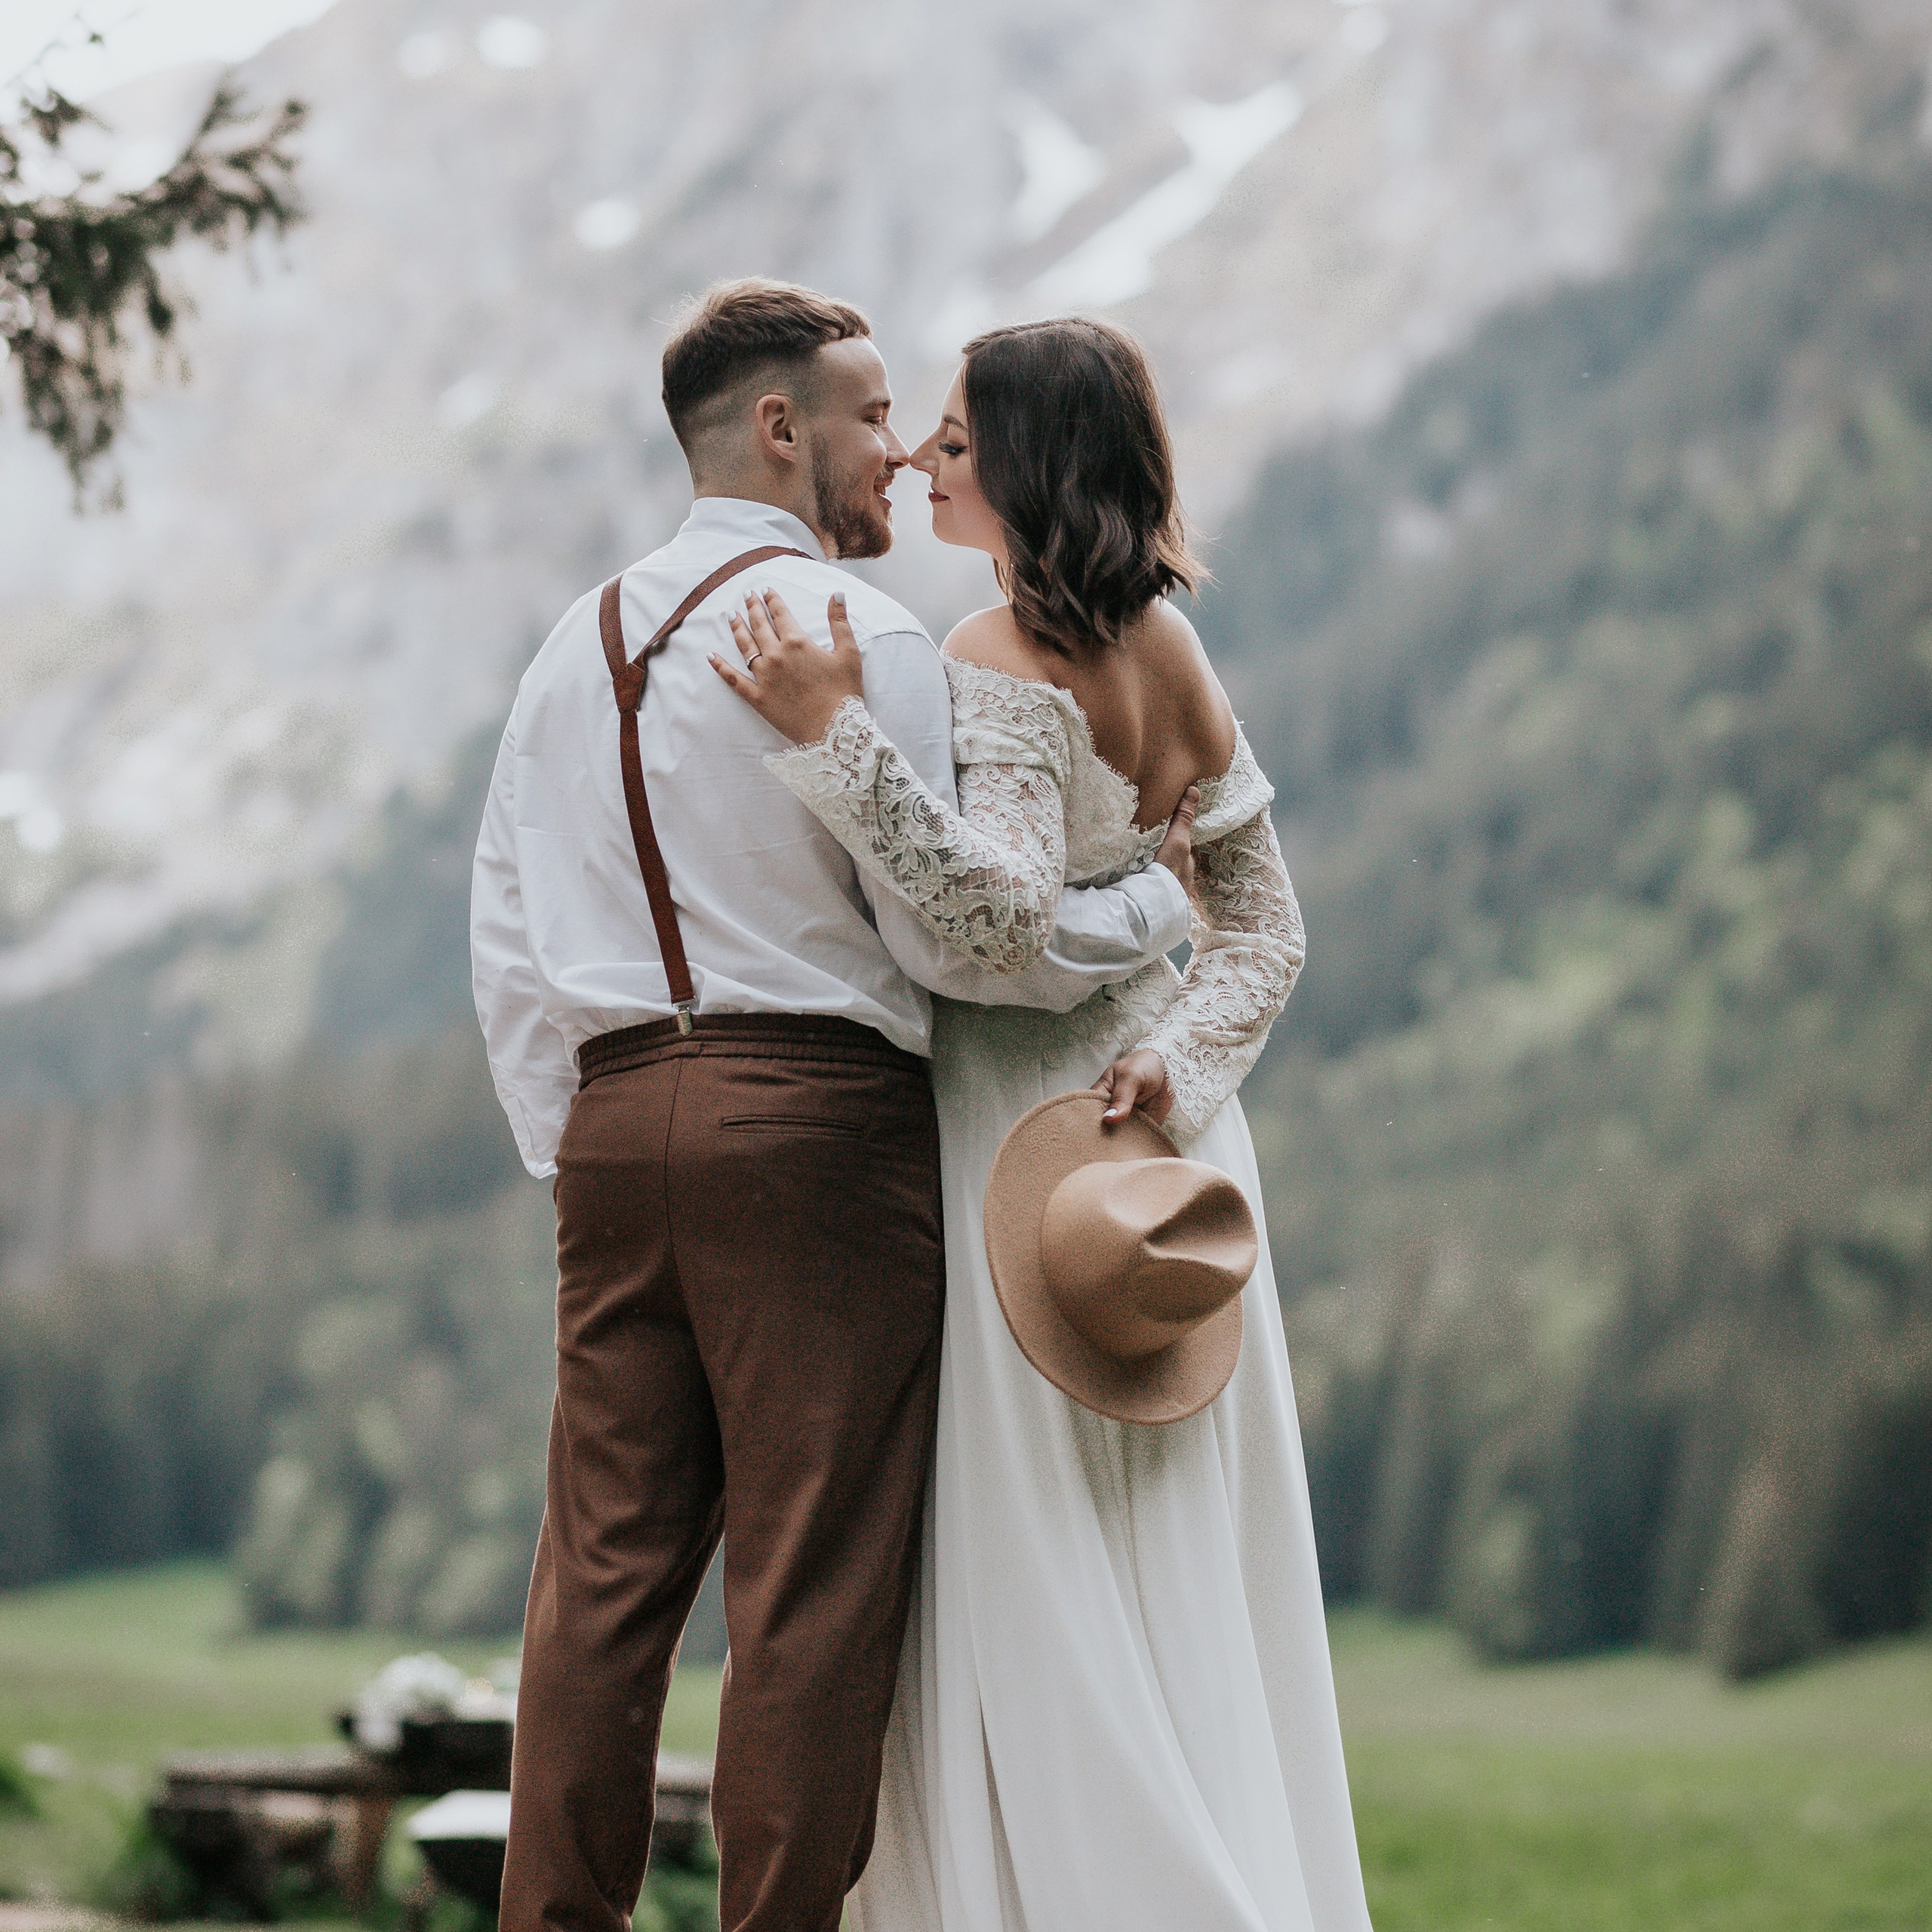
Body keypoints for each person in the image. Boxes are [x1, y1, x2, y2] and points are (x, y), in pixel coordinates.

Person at [469, 280, 1196, 1932]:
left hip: (609, 1127)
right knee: (807, 1585)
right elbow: (969, 941)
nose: (904, 450)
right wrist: (1153, 907)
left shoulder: (565, 650)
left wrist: (585, 1142)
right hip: (812, 1129)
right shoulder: (865, 641)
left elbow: (506, 941)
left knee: (597, 1579)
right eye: (875, 416)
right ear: (780, 427)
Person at [712, 316, 1374, 1930]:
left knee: (1028, 1554)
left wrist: (833, 741)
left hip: (1022, 1151)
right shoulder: (1168, 643)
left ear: (1018, 461)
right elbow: (1264, 932)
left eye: (953, 435)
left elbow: (993, 924)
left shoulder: (993, 658)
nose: (927, 460)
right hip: (1167, 1168)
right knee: (1170, 1562)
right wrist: (1181, 1071)